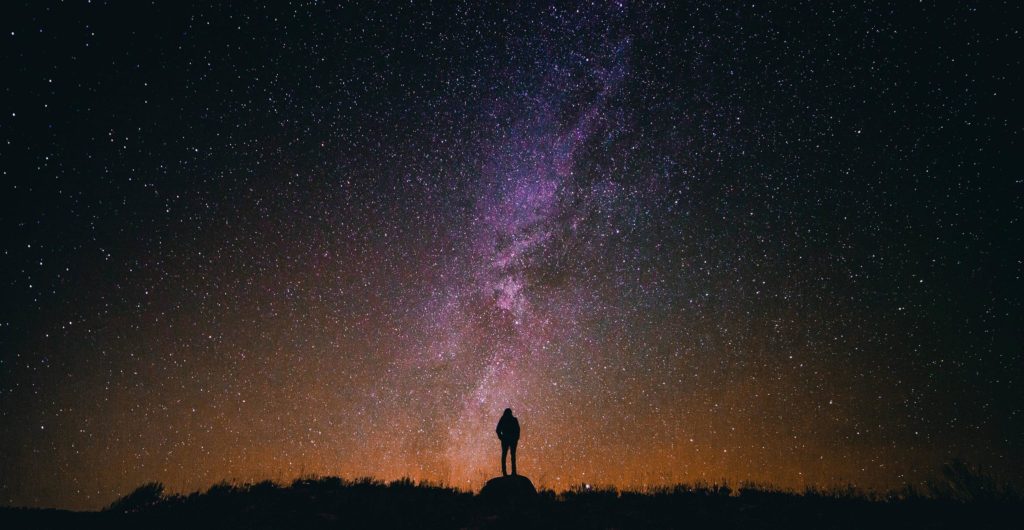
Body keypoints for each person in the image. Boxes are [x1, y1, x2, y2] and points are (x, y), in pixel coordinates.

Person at [495, 408, 520, 476]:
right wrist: (501, 438)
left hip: (509, 440)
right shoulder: (506, 420)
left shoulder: (505, 419)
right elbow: (498, 430)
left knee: (508, 456)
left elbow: (517, 430)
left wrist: (501, 437)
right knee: (509, 456)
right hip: (509, 440)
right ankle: (509, 473)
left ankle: (508, 473)